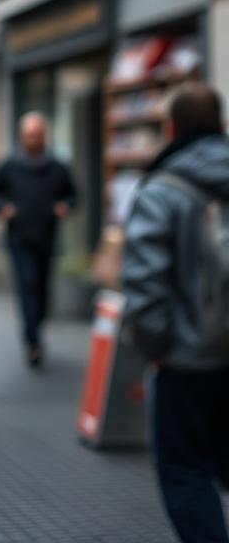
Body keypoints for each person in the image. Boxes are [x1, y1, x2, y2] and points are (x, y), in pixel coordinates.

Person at [122, 83, 229, 543]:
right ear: (222, 126)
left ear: (170, 129)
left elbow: (145, 286)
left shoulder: (161, 190)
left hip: (186, 359)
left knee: (184, 471)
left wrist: (156, 347)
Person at [0, 113, 77, 367]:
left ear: (44, 137)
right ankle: (32, 341)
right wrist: (2, 208)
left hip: (46, 237)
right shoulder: (10, 165)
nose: (32, 140)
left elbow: (73, 195)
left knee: (41, 289)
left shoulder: (56, 167)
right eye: (28, 135)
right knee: (27, 285)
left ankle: (36, 328)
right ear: (20, 137)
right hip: (19, 237)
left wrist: (64, 207)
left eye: (36, 135)